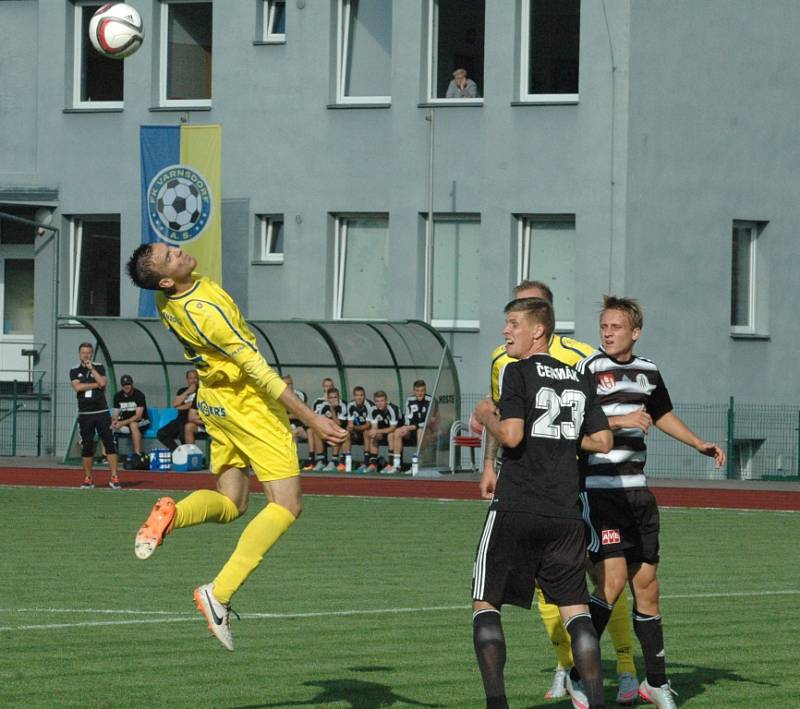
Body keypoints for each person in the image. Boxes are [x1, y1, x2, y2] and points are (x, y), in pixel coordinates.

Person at [126, 242, 346, 651]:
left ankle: (172, 515)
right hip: (248, 406)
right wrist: (310, 416)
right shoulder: (205, 311)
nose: (179, 250)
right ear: (168, 280)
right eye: (170, 256)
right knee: (286, 505)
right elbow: (259, 371)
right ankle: (219, 593)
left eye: (170, 246)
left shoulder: (166, 299)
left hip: (212, 400)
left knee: (233, 503)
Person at [568, 295, 726, 709]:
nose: (607, 333)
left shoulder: (648, 371)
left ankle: (655, 683)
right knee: (612, 582)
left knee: (648, 588)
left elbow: (660, 414)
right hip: (600, 492)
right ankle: (575, 676)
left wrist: (697, 443)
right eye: (604, 326)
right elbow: (572, 424)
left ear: (635, 332)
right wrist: (619, 420)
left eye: (615, 327)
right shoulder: (588, 369)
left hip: (638, 492)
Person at [485, 280, 638, 703]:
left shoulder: (527, 365)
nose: (505, 330)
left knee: (487, 600)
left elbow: (511, 432)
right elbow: (601, 440)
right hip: (566, 506)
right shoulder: (565, 372)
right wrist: (557, 438)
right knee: (573, 605)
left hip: (530, 498)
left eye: (514, 321)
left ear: (540, 325)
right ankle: (581, 684)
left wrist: (485, 417)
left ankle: (497, 701)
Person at [69, 342, 120, 489]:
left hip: (101, 412)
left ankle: (115, 476)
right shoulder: (74, 370)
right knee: (87, 446)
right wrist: (95, 384)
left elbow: (103, 383)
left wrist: (93, 371)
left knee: (109, 444)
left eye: (88, 352)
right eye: (83, 352)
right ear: (79, 354)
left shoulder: (98, 366)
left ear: (91, 354)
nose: (86, 355)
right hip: (85, 414)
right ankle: (88, 477)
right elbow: (77, 387)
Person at [385, 380, 432, 474]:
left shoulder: (430, 400)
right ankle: (396, 465)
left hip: (427, 430)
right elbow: (407, 417)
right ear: (414, 391)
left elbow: (428, 421)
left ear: (425, 390)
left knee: (420, 431)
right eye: (417, 391)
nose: (420, 393)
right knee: (398, 431)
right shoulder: (410, 400)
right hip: (412, 429)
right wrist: (405, 427)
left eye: (422, 390)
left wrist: (410, 427)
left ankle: (417, 465)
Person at [156, 369, 201, 452]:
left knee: (182, 433)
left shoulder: (201, 391)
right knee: (161, 433)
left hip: (192, 420)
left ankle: (189, 456)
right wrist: (188, 392)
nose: (193, 380)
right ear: (187, 379)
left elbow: (193, 405)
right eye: (190, 378)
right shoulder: (182, 391)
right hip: (179, 419)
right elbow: (175, 404)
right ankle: (178, 452)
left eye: (195, 378)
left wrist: (183, 406)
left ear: (198, 379)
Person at [359, 390, 402, 474]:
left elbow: (393, 428)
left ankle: (391, 464)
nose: (380, 403)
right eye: (377, 401)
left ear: (386, 401)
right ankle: (373, 464)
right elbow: (374, 428)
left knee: (391, 434)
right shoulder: (373, 410)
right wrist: (375, 432)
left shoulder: (393, 408)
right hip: (384, 430)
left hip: (399, 432)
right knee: (371, 434)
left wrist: (377, 431)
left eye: (382, 401)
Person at [111, 374, 150, 457]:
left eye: (128, 384)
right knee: (109, 426)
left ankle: (137, 453)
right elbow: (115, 413)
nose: (126, 386)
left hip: (143, 421)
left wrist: (122, 423)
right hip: (126, 423)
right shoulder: (118, 396)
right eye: (124, 385)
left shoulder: (139, 395)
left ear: (132, 384)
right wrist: (114, 421)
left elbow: (138, 416)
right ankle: (107, 455)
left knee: (133, 424)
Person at [303, 377, 336, 471]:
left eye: (330, 386)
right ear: (323, 387)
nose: (328, 388)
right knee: (312, 430)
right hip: (319, 429)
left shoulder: (336, 401)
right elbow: (313, 417)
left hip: (331, 428)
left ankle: (333, 461)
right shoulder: (317, 401)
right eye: (326, 386)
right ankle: (318, 461)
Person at [317, 387, 349, 472]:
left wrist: (332, 409)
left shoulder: (343, 405)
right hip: (328, 429)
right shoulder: (324, 405)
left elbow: (338, 424)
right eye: (331, 398)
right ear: (328, 398)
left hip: (342, 430)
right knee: (315, 432)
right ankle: (321, 461)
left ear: (339, 397)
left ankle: (334, 461)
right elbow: (320, 421)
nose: (333, 399)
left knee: (337, 431)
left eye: (335, 397)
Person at [346, 386, 374, 470]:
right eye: (357, 395)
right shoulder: (350, 405)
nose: (359, 397)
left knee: (366, 431)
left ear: (364, 396)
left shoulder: (369, 405)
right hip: (357, 430)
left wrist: (354, 428)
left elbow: (368, 425)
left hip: (368, 431)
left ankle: (366, 462)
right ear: (354, 396)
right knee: (346, 433)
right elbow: (350, 423)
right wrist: (351, 429)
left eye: (361, 395)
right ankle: (346, 461)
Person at [282, 374, 309, 445]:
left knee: (292, 434)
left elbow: (302, 414)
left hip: (301, 426)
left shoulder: (300, 395)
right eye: (286, 384)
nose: (288, 386)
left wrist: (287, 416)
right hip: (286, 426)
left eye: (290, 384)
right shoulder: (279, 396)